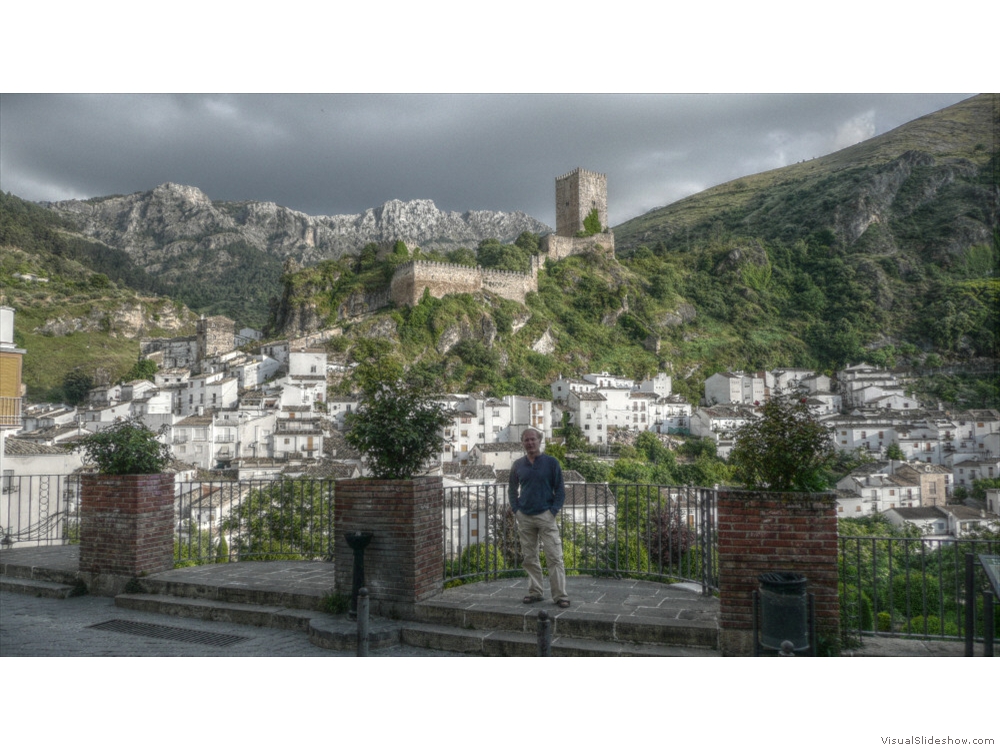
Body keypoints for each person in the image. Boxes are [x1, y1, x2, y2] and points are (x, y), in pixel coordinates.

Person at [508, 427, 570, 608]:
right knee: (529, 558)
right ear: (523, 443)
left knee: (555, 557)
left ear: (540, 440)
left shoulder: (551, 462)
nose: (530, 443)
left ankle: (560, 596)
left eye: (533, 439)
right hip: (525, 516)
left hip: (546, 516)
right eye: (526, 440)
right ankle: (535, 592)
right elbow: (512, 489)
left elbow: (560, 490)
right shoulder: (518, 465)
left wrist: (553, 511)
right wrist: (516, 510)